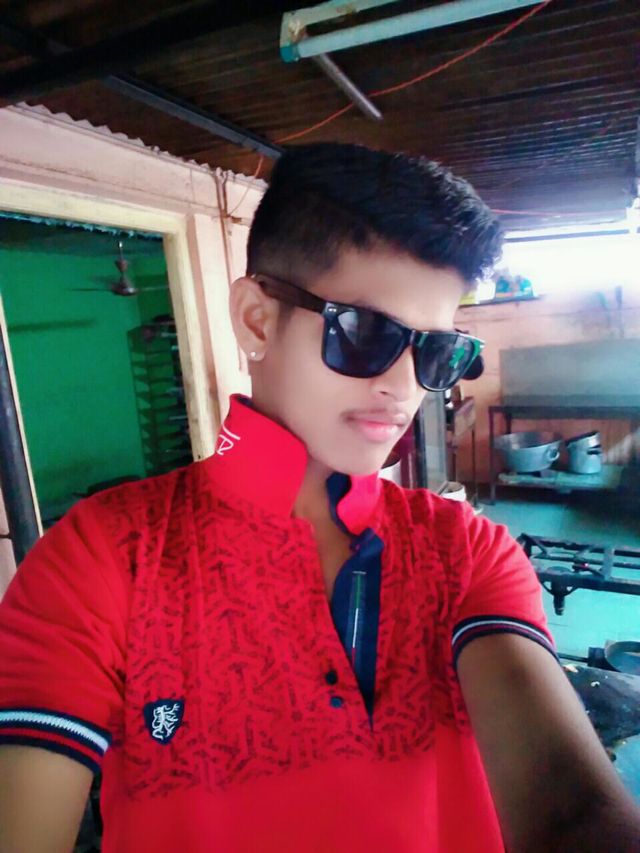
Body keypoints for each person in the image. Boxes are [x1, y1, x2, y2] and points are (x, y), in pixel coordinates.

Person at [0, 143, 638, 853]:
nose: (403, 386)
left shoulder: (464, 551)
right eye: (366, 333)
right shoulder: (105, 557)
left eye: (435, 352)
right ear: (256, 320)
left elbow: (569, 807)